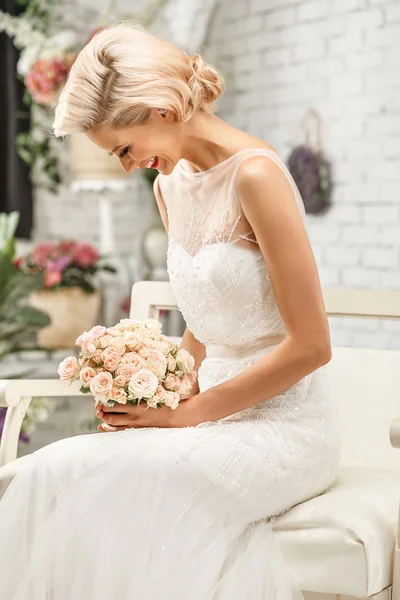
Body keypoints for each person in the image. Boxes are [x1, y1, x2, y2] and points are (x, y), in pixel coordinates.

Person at [0, 21, 340, 600]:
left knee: (138, 484)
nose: (129, 167)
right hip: (206, 414)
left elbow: (312, 346)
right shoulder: (169, 187)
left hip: (286, 427)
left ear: (158, 108)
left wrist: (192, 414)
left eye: (124, 149)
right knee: (49, 469)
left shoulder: (256, 176)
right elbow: (203, 331)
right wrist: (154, 391)